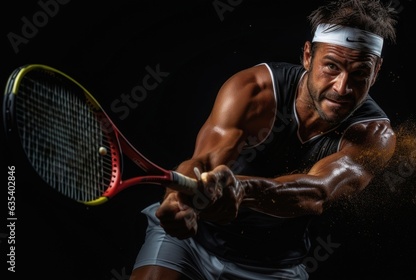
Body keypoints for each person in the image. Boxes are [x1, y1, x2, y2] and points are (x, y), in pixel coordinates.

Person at [130, 0, 398, 279]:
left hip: (275, 267)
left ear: (376, 71)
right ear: (308, 56)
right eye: (331, 67)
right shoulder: (254, 90)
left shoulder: (374, 136)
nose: (342, 87)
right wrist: (177, 200)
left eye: (359, 74)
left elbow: (317, 192)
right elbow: (204, 161)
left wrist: (243, 190)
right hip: (193, 242)